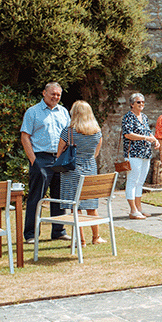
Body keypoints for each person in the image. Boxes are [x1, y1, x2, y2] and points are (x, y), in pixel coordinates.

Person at [20, 82, 71, 243]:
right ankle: (31, 234)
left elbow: (69, 135)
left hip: (60, 159)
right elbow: (25, 137)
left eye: (58, 95)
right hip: (41, 158)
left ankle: (58, 230)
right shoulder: (33, 112)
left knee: (59, 197)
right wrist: (34, 161)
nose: (56, 97)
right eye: (53, 94)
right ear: (44, 93)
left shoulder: (63, 112)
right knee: (36, 198)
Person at [57, 100, 104, 245]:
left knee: (74, 207)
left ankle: (80, 239)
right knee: (91, 205)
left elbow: (59, 154)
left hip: (72, 171)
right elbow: (95, 153)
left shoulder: (68, 131)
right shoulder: (97, 132)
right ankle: (96, 237)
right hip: (90, 168)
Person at [121, 92, 160, 219]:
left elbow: (148, 132)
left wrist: (155, 140)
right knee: (132, 181)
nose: (141, 104)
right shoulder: (128, 117)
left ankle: (139, 208)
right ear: (132, 104)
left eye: (143, 102)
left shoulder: (144, 117)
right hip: (133, 154)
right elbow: (128, 134)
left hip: (145, 154)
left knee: (140, 182)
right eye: (138, 102)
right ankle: (132, 210)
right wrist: (145, 137)